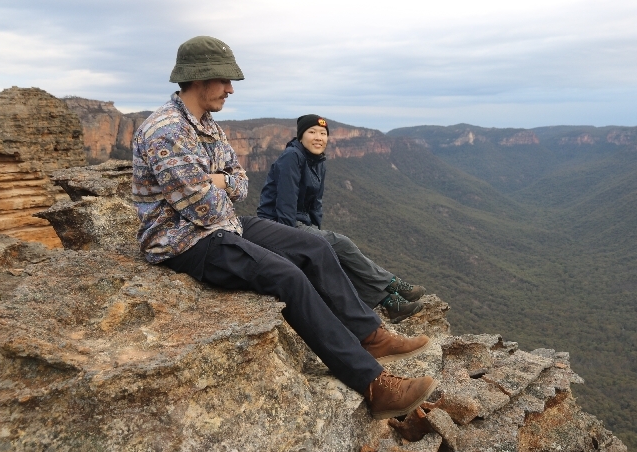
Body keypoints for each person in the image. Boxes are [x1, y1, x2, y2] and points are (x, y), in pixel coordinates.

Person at [131, 35, 438, 419]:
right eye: (225, 80)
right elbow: (202, 210)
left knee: (316, 248)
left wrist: (219, 180)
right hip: (183, 240)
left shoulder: (206, 125)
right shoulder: (166, 131)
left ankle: (370, 335)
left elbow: (240, 182)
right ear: (199, 78)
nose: (229, 89)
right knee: (287, 276)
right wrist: (217, 182)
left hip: (223, 223)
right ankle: (375, 385)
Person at [257, 114, 426, 323]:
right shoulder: (292, 157)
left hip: (301, 224)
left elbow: (315, 205)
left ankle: (392, 304)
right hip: (278, 225)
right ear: (301, 136)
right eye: (312, 132)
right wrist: (304, 243)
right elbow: (284, 205)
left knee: (337, 256)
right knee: (342, 244)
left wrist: (317, 236)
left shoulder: (318, 162)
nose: (318, 137)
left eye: (323, 133)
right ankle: (393, 284)